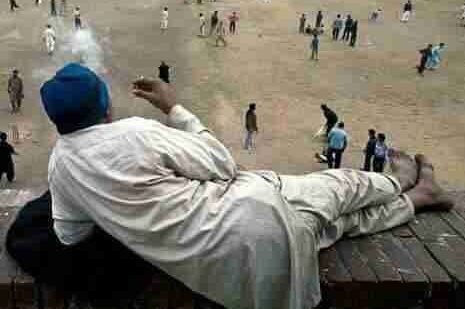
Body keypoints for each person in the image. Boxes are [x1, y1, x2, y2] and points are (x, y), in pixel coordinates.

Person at [29, 63, 454, 309]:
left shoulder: (60, 166)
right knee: (340, 187)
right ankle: (399, 181)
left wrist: (119, 209)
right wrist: (174, 107)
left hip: (226, 273)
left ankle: (416, 197)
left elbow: (70, 235)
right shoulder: (134, 132)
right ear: (105, 106)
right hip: (250, 209)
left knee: (336, 226)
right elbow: (222, 163)